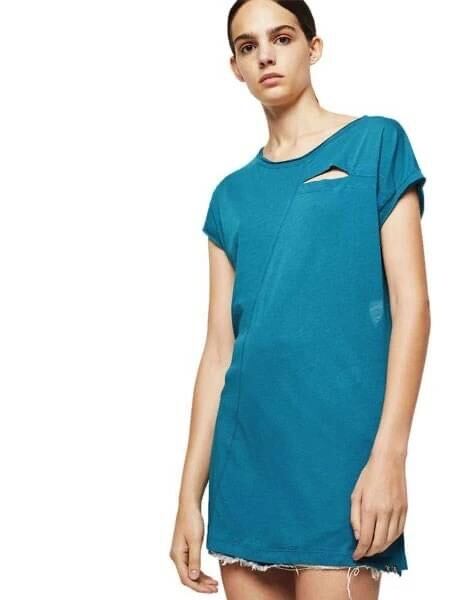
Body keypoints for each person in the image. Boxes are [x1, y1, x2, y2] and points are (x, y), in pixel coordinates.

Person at [169, 1, 430, 598]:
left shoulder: (376, 144)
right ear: (235, 67)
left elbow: (412, 306)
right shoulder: (230, 196)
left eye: (281, 38)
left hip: (342, 461)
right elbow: (219, 352)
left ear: (314, 48)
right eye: (247, 46)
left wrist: (390, 455)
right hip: (246, 465)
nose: (265, 55)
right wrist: (188, 497)